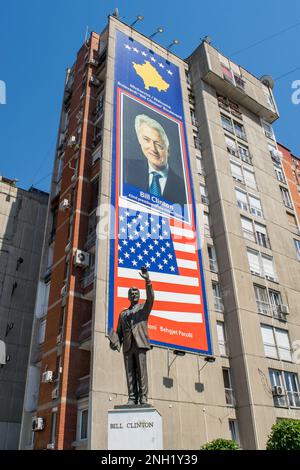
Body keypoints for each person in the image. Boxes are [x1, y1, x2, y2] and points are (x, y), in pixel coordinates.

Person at [109, 267, 154, 406]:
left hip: (140, 344)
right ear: (128, 296)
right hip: (128, 346)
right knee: (130, 373)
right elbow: (119, 332)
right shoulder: (122, 314)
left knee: (141, 372)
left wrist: (147, 281)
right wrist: (114, 341)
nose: (134, 294)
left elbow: (151, 298)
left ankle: (143, 397)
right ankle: (132, 397)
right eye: (131, 293)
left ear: (138, 295)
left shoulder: (143, 308)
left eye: (136, 292)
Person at [124, 114, 187, 206]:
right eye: (146, 140)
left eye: (158, 144)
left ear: (168, 150)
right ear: (139, 141)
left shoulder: (183, 187)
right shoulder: (126, 168)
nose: (153, 149)